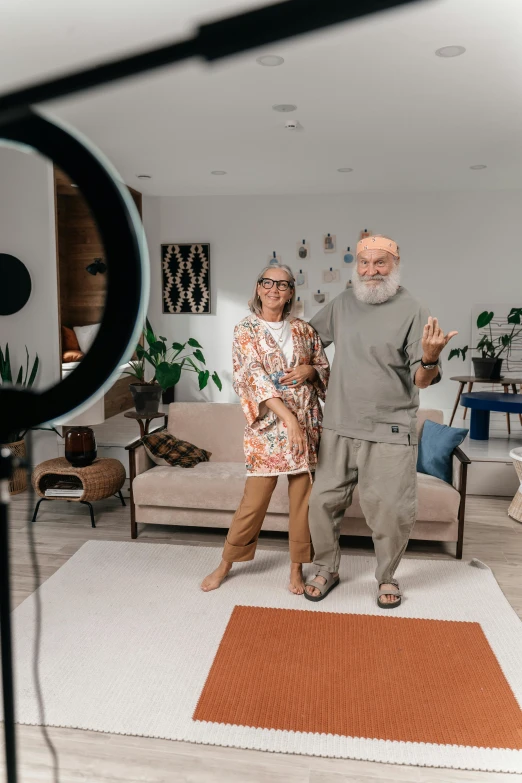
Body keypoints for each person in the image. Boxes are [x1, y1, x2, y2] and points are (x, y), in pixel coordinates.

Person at [304, 234, 457, 608]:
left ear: (395, 264)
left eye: (380, 263)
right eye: (364, 263)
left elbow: (422, 379)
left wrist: (431, 357)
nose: (371, 270)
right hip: (338, 424)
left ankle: (387, 577)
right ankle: (326, 567)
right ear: (356, 266)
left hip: (389, 428)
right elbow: (308, 338)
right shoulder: (342, 303)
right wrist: (306, 363)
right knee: (321, 503)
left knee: (390, 511)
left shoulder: (413, 308)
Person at [201, 263, 330, 594]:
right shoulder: (245, 329)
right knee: (254, 502)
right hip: (270, 425)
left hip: (307, 420)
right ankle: (226, 563)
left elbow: (322, 365)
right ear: (258, 288)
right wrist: (288, 419)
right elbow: (251, 375)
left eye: (283, 285)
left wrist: (310, 372)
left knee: (303, 501)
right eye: (268, 282)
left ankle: (296, 569)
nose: (274, 289)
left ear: (290, 294)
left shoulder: (303, 329)